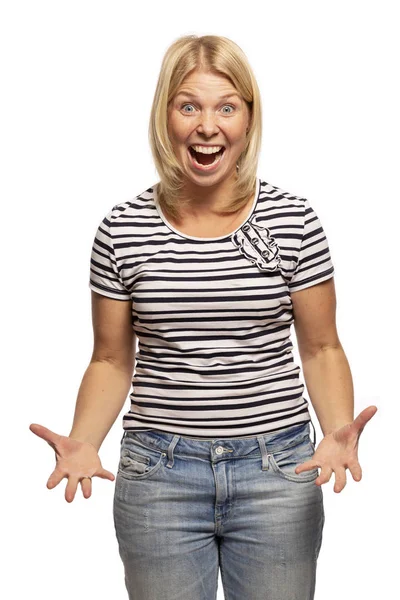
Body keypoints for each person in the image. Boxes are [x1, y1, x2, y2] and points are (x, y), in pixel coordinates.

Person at [30, 34, 377, 600]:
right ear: (166, 116)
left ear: (248, 117)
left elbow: (321, 348)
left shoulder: (294, 220)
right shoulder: (122, 229)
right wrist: (85, 438)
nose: (207, 125)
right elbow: (112, 358)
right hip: (158, 476)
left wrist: (337, 428)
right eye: (188, 105)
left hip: (278, 472)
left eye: (226, 107)